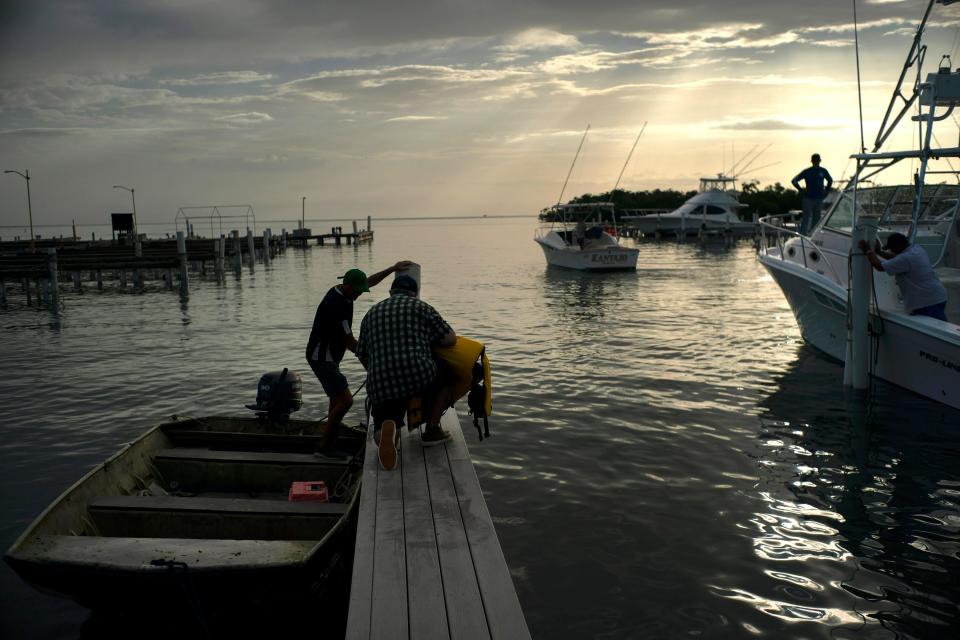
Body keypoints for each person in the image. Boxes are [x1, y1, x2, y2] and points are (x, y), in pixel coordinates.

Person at [306, 261, 412, 459]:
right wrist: (374, 360)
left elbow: (368, 281)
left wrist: (391, 269)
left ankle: (332, 442)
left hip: (331, 355)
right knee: (345, 401)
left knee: (335, 401)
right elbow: (350, 342)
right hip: (321, 357)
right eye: (356, 291)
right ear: (346, 285)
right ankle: (323, 447)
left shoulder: (344, 291)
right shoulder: (335, 305)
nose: (359, 295)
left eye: (360, 291)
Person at [355, 275, 457, 470]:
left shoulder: (371, 313)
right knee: (448, 374)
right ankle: (432, 430)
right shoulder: (421, 307)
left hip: (380, 383)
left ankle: (386, 433)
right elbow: (450, 339)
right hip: (417, 374)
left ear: (391, 292)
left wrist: (378, 373)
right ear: (414, 294)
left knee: (385, 419)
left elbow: (362, 353)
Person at [859, 232, 949, 321]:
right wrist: (879, 252)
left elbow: (879, 266)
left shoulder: (906, 258)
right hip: (936, 297)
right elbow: (895, 258)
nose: (891, 250)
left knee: (934, 330)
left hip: (927, 302)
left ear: (899, 245)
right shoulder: (916, 249)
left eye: (892, 248)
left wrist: (868, 251)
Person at [791, 153, 833, 235]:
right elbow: (794, 181)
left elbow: (830, 180)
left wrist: (826, 191)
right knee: (809, 218)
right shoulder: (812, 171)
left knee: (814, 219)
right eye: (816, 161)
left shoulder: (821, 171)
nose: (816, 162)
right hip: (809, 199)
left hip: (816, 198)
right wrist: (801, 190)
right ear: (817, 161)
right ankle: (804, 236)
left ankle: (811, 235)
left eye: (816, 161)